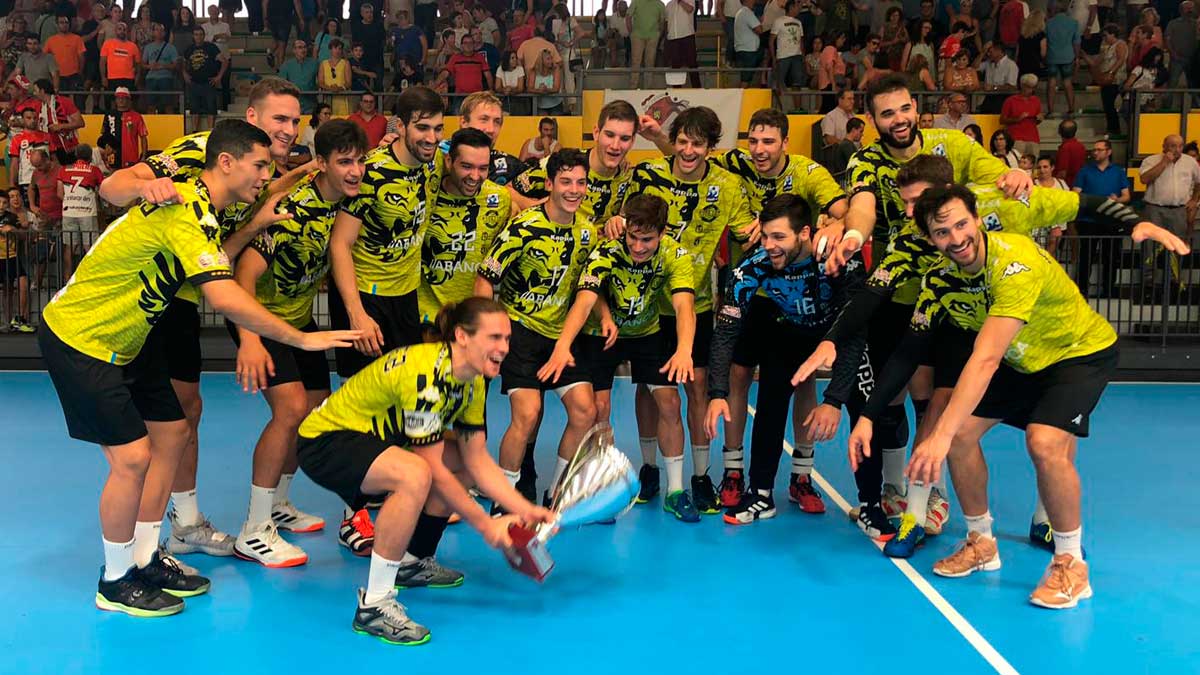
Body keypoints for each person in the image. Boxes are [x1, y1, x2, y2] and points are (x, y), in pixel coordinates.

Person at [39, 119, 359, 618]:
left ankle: (145, 558)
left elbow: (206, 271)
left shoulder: (206, 214)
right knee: (132, 459)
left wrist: (256, 222)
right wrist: (298, 336)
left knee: (172, 434)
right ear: (225, 163)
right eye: (259, 167)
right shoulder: (182, 207)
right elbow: (220, 291)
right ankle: (116, 578)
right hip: (82, 339)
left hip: (131, 341)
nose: (265, 177)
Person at [817, 153, 1183, 556]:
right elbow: (901, 336)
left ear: (971, 210)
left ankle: (1065, 552)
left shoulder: (1008, 220)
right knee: (952, 425)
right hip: (992, 337)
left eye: (924, 203)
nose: (913, 213)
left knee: (1045, 439)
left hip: (1062, 346)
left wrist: (1135, 221)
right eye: (910, 207)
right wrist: (857, 392)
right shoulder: (928, 262)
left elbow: (1083, 205)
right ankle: (973, 539)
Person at [98, 78, 312, 563]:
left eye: (296, 121)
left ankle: (181, 522)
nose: (290, 129)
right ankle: (143, 542)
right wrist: (146, 185)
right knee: (163, 420)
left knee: (186, 410)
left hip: (186, 295)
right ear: (251, 120)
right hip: (153, 292)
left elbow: (228, 239)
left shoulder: (263, 170)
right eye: (280, 119)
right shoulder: (200, 150)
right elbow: (113, 186)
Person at [818, 74, 1031, 534]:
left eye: (903, 109)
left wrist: (1016, 174)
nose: (898, 120)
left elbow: (1000, 178)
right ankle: (895, 489)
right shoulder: (867, 161)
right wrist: (854, 234)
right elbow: (863, 206)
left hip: (954, 298)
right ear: (873, 120)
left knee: (935, 396)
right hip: (898, 294)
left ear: (916, 107)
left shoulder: (951, 145)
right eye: (887, 113)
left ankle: (930, 492)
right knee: (893, 390)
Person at [296, 297, 554, 643]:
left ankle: (411, 560)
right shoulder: (428, 375)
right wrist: (486, 525)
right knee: (415, 473)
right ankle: (374, 604)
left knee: (458, 461)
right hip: (325, 441)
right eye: (494, 338)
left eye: (507, 339)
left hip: (374, 443)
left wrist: (523, 508)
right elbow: (431, 466)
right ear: (462, 336)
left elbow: (476, 459)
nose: (504, 348)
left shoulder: (471, 381)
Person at [227, 119, 370, 567]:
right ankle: (253, 530)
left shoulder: (343, 206)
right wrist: (249, 341)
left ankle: (278, 505)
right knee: (288, 410)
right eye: (344, 162)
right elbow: (243, 276)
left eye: (360, 161)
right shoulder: (293, 210)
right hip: (260, 320)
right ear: (321, 164)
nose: (355, 171)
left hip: (300, 321)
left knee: (313, 410)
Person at [608, 107, 755, 515]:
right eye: (683, 142)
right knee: (649, 390)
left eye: (698, 144)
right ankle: (651, 469)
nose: (689, 151)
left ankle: (701, 476)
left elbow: (749, 230)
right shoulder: (649, 174)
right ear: (675, 142)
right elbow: (622, 218)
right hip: (647, 307)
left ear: (711, 147)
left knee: (698, 388)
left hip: (698, 303)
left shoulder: (727, 186)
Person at [705, 194, 875, 525]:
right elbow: (726, 331)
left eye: (779, 237)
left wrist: (835, 399)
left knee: (865, 410)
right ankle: (761, 495)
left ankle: (872, 504)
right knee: (770, 403)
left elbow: (855, 329)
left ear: (805, 233)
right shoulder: (752, 268)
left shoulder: (838, 257)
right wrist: (717, 393)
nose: (769, 245)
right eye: (766, 236)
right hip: (788, 332)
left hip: (839, 336)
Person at [548, 193, 699, 521]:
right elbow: (585, 299)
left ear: (662, 234)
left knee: (670, 403)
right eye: (633, 237)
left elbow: (684, 304)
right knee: (599, 411)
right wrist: (564, 344)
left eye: (647, 239)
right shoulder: (606, 250)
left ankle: (674, 490)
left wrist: (684, 349)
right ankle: (600, 487)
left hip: (647, 333)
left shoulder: (676, 255)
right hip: (600, 336)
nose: (639, 246)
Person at [474, 148, 600, 510]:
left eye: (580, 182)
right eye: (565, 182)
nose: (574, 190)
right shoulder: (524, 226)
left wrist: (601, 317)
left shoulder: (587, 232)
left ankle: (557, 493)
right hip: (522, 333)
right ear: (549, 184)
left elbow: (588, 286)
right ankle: (504, 498)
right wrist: (491, 332)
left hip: (562, 337)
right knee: (527, 414)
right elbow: (486, 277)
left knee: (584, 412)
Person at [328, 85, 445, 378]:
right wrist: (357, 314)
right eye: (422, 128)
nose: (431, 137)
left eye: (438, 128)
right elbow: (340, 243)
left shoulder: (436, 161)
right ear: (401, 127)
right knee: (363, 400)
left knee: (402, 395)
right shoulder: (371, 172)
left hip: (406, 295)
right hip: (367, 297)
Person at [418, 128, 512, 326]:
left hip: (471, 324)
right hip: (425, 320)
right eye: (467, 166)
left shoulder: (500, 199)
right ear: (449, 161)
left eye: (483, 168)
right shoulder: (426, 193)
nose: (475, 176)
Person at [56, 143, 104, 279]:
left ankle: (67, 280)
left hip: (68, 212)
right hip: (87, 213)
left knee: (69, 247)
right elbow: (102, 191)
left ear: (76, 155)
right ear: (90, 157)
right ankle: (91, 278)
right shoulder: (94, 170)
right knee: (89, 247)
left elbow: (59, 194)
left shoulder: (64, 170)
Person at [0, 190, 33, 333]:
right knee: (7, 290)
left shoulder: (12, 217)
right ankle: (7, 322)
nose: (1, 205)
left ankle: (19, 320)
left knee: (23, 282)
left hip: (12, 256)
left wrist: (13, 229)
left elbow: (23, 237)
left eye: (4, 203)